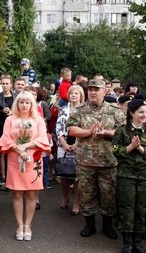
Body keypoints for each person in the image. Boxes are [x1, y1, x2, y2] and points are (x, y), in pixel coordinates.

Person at [66, 79, 126, 239]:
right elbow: (71, 130)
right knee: (86, 195)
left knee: (108, 195)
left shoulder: (114, 110)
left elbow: (124, 133)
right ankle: (89, 225)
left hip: (108, 162)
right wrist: (87, 132)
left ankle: (107, 226)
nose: (92, 92)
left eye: (96, 89)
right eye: (90, 89)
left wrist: (106, 133)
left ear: (104, 92)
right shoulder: (80, 109)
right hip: (85, 162)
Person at [0, 91, 51, 241]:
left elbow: (42, 138)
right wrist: (18, 149)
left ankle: (28, 225)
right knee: (17, 193)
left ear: (32, 104)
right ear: (17, 103)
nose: (24, 105)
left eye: (27, 102)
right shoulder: (10, 120)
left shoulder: (38, 120)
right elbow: (6, 138)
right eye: (21, 102)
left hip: (33, 159)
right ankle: (19, 224)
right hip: (15, 159)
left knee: (32, 194)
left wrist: (25, 146)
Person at [112, 95, 146, 253]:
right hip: (126, 176)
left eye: (145, 112)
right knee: (127, 208)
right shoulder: (122, 131)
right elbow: (114, 150)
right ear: (132, 112)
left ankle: (138, 242)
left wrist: (141, 149)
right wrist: (130, 147)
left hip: (144, 176)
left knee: (141, 209)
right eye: (141, 112)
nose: (144, 115)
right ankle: (127, 242)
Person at [55, 85, 85, 216]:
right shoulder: (63, 109)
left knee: (78, 176)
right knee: (64, 174)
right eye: (71, 93)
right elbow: (58, 128)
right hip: (64, 144)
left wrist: (77, 144)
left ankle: (77, 203)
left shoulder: (85, 110)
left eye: (76, 93)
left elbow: (85, 128)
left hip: (80, 144)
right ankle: (65, 197)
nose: (73, 95)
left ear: (81, 96)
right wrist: (64, 144)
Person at [0, 76, 14, 187]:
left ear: (11, 84)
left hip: (14, 127)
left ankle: (11, 174)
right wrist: (2, 111)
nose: (5, 85)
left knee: (12, 152)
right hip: (1, 126)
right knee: (1, 151)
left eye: (7, 83)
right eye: (3, 83)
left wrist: (13, 113)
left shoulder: (16, 96)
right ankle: (3, 176)